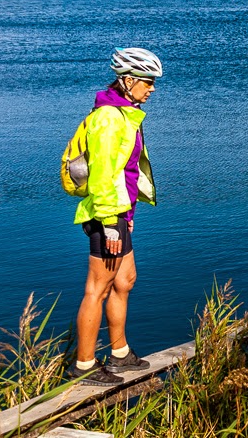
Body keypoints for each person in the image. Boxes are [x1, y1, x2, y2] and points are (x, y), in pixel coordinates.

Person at [67, 47, 162, 386]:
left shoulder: (127, 114)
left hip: (120, 213)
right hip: (106, 216)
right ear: (128, 80)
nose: (152, 89)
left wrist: (128, 215)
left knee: (125, 280)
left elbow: (130, 172)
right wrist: (110, 224)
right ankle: (84, 366)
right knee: (98, 287)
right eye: (148, 82)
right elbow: (105, 175)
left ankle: (119, 354)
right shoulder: (109, 118)